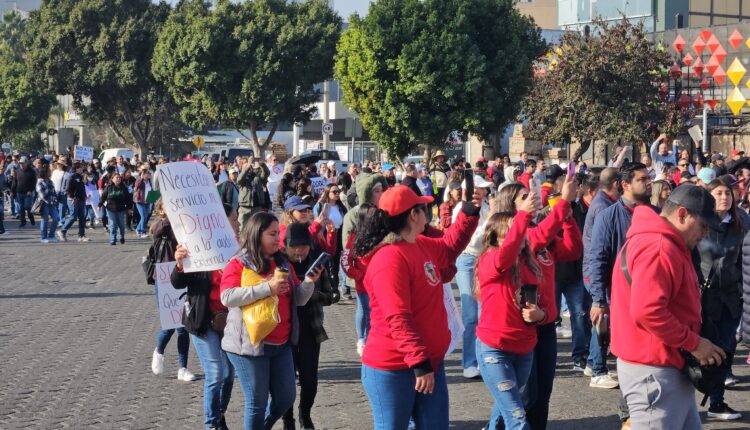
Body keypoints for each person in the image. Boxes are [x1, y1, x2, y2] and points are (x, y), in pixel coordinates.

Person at [355, 185, 481, 430]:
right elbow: (398, 317)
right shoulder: (388, 259)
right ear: (413, 215)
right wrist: (420, 364)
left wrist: (467, 212)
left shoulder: (420, 244)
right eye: (424, 208)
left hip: (427, 362)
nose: (429, 213)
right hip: (394, 368)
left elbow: (450, 247)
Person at [611, 184, 726, 429]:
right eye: (703, 225)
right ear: (682, 214)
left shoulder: (663, 241)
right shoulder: (659, 246)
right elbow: (647, 310)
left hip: (662, 365)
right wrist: (695, 343)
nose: (705, 233)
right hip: (654, 368)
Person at [493, 176, 582, 429]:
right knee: (524, 395)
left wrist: (566, 216)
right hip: (522, 326)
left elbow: (572, 250)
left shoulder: (539, 233)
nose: (532, 199)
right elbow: (537, 236)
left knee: (543, 392)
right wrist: (563, 202)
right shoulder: (511, 236)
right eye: (524, 197)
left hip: (545, 323)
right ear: (510, 206)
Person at [220, 212, 323, 429]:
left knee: (286, 398)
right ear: (257, 235)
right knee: (256, 403)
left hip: (281, 344)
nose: (278, 239)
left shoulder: (282, 262)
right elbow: (227, 297)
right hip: (249, 346)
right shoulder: (238, 263)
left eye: (278, 233)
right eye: (272, 234)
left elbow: (300, 300)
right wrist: (267, 288)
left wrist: (309, 281)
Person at [474, 199, 550, 430]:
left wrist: (541, 315)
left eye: (519, 232)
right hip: (494, 350)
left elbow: (545, 305)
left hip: (524, 348)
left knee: (504, 409)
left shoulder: (530, 263)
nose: (518, 236)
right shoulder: (490, 260)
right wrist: (522, 217)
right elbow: (505, 256)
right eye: (512, 231)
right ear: (497, 237)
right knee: (516, 417)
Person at [587, 163, 654, 390]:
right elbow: (598, 258)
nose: (648, 183)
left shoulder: (656, 214)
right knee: (626, 355)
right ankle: (629, 413)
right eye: (642, 179)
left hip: (651, 296)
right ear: (625, 185)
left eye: (649, 178)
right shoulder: (608, 216)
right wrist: (598, 300)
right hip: (620, 297)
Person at [171, 210, 236, 430]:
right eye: (234, 220)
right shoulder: (198, 247)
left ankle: (219, 415)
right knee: (216, 374)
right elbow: (177, 283)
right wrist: (180, 263)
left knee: (228, 375)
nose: (237, 224)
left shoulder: (239, 249)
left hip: (231, 322)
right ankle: (211, 425)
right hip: (203, 321)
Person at [695, 180, 745, 419]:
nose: (724, 197)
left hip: (730, 299)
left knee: (725, 351)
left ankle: (717, 402)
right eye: (718, 193)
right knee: (696, 352)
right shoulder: (699, 223)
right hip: (702, 298)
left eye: (728, 193)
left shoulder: (741, 223)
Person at [281, 223, 336, 430]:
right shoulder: (279, 264)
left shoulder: (317, 264)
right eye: (295, 246)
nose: (299, 250)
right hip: (284, 332)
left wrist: (309, 290)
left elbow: (330, 297)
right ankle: (288, 420)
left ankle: (305, 414)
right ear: (285, 246)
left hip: (310, 330)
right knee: (285, 383)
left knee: (310, 380)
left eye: (304, 245)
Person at [149, 201, 196, 382]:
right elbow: (156, 231)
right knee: (169, 324)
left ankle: (182, 367)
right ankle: (159, 350)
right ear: (161, 210)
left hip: (182, 275)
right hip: (163, 278)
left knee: (182, 326)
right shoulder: (160, 226)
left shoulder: (183, 225)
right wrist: (172, 216)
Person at [453, 175, 494, 379]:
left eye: (485, 189)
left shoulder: (487, 207)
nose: (485, 191)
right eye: (480, 188)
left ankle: (483, 356)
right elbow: (466, 237)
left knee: (484, 311)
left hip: (483, 260)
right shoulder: (461, 209)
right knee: (471, 314)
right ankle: (469, 362)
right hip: (467, 260)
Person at [342, 203, 376, 356]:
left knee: (375, 315)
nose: (373, 217)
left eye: (375, 213)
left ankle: (371, 341)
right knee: (365, 311)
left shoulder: (381, 234)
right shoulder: (354, 236)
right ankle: (362, 339)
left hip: (378, 284)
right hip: (363, 284)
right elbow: (345, 260)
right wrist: (358, 275)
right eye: (370, 214)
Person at [57, 162, 88, 242]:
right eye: (81, 167)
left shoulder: (80, 177)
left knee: (82, 218)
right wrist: (72, 198)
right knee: (72, 217)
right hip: (73, 200)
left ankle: (81, 235)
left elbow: (81, 188)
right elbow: (67, 190)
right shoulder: (71, 177)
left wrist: (84, 195)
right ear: (77, 168)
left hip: (81, 200)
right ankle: (62, 231)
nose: (82, 169)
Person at [238, 160, 271, 231]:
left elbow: (266, 174)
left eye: (250, 167)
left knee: (256, 228)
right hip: (244, 208)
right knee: (242, 228)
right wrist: (246, 167)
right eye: (247, 167)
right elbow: (239, 179)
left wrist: (262, 165)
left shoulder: (257, 176)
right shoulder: (242, 177)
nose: (249, 168)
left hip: (256, 207)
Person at [99, 173, 129, 245]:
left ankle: (122, 236)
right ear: (112, 179)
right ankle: (113, 239)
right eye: (116, 178)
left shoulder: (124, 188)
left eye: (119, 178)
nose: (118, 179)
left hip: (121, 209)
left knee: (121, 224)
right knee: (113, 224)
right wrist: (99, 205)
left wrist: (129, 207)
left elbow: (128, 198)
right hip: (110, 208)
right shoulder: (108, 187)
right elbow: (103, 197)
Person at [36, 163, 59, 243]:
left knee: (56, 218)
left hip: (52, 203)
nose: (50, 172)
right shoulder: (40, 182)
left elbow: (54, 192)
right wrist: (48, 192)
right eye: (49, 171)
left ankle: (51, 235)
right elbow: (41, 194)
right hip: (44, 203)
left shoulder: (50, 181)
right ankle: (43, 237)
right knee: (44, 220)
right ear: (45, 172)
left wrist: (55, 200)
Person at [15, 156, 37, 228]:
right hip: (19, 192)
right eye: (20, 163)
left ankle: (31, 217)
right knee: (21, 208)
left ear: (27, 163)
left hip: (28, 193)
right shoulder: (18, 171)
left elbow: (34, 182)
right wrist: (12, 191)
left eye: (23, 163)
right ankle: (23, 222)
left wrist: (30, 190)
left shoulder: (32, 171)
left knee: (27, 207)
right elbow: (14, 182)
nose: (21, 164)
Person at [133, 166, 154, 238]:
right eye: (148, 173)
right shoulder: (139, 180)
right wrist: (141, 178)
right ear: (144, 174)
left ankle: (138, 229)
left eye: (149, 173)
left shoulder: (149, 181)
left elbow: (151, 190)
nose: (149, 175)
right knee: (143, 216)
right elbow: (136, 187)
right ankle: (142, 231)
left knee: (145, 216)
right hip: (140, 201)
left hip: (148, 201)